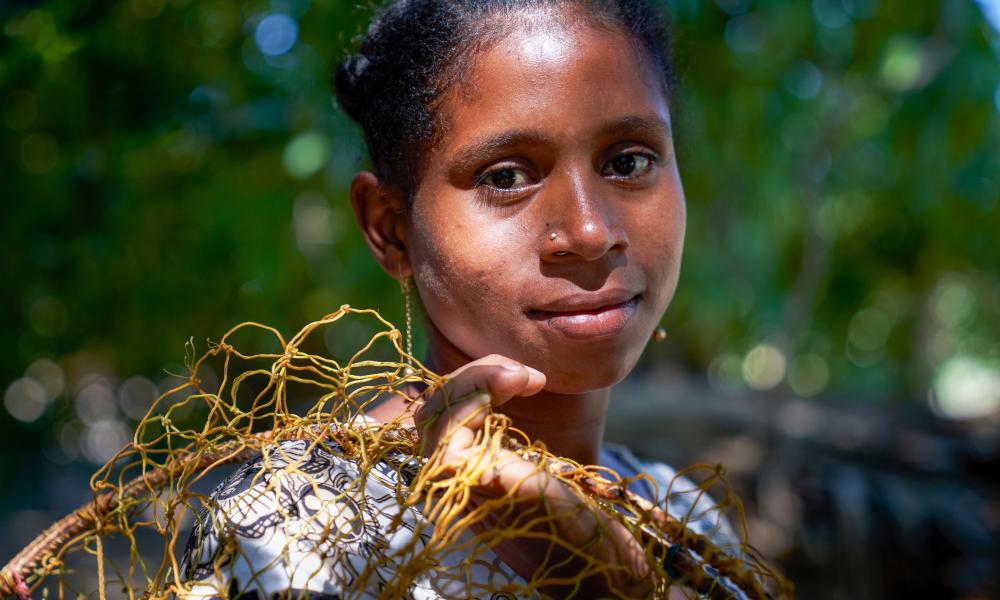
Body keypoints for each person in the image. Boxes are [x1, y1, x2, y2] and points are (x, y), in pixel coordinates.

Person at [180, 0, 745, 598]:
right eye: (505, 177)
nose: (588, 232)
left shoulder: (684, 518)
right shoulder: (296, 530)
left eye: (628, 161)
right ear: (390, 228)